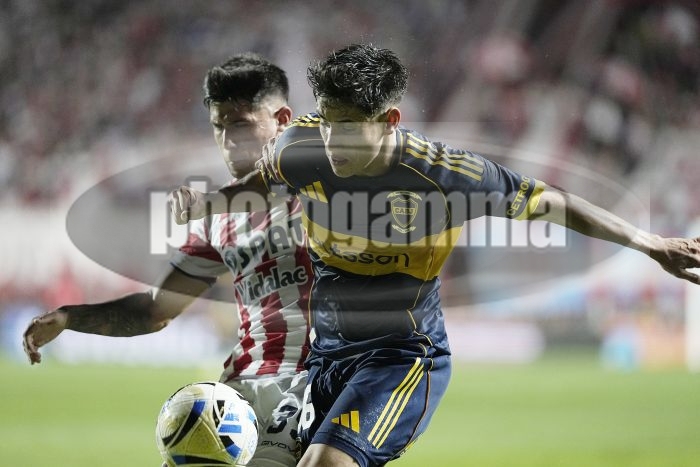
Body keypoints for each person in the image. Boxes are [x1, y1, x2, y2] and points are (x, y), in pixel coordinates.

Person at [168, 44, 700, 467]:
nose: (332, 141)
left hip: (401, 357)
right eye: (327, 121)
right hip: (325, 356)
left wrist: (648, 242)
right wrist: (208, 203)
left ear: (390, 119)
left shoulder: (447, 177)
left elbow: (552, 202)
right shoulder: (299, 149)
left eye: (349, 126)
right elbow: (263, 182)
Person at [22, 53, 312, 467]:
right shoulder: (218, 219)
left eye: (241, 124)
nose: (229, 140)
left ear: (282, 119)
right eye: (219, 126)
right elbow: (156, 311)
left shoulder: (321, 186)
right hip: (239, 391)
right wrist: (70, 317)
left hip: (312, 384)